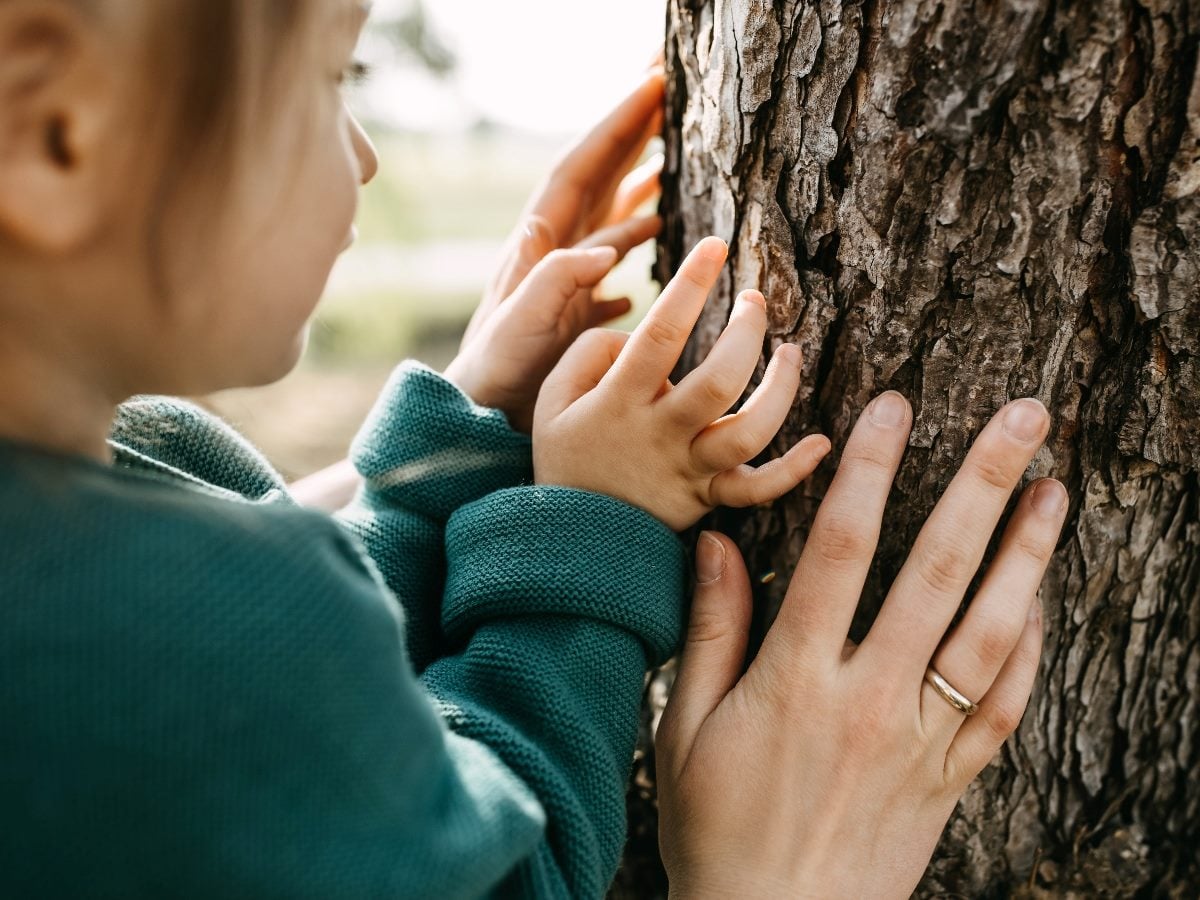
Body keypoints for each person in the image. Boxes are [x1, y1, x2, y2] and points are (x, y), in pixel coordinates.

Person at [0, 1, 1068, 897]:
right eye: (333, 74)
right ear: (55, 128)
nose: (365, 158)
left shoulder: (101, 506)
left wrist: (448, 454)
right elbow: (518, 867)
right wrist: (594, 532)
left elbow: (260, 764)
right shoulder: (178, 651)